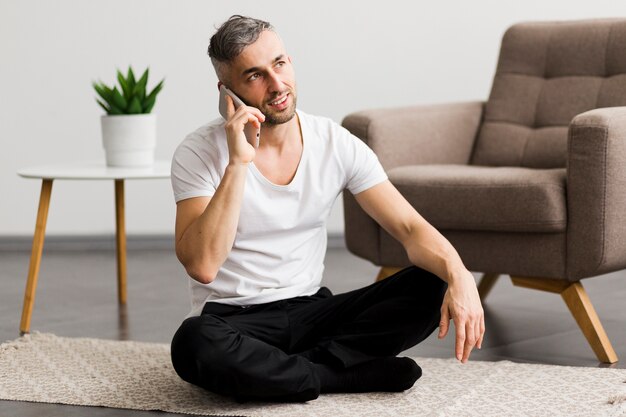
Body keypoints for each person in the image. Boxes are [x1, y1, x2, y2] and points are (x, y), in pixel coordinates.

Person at [169, 15, 485, 403]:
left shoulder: (334, 141)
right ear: (227, 92)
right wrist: (238, 162)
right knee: (193, 343)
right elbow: (202, 265)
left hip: (314, 313)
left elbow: (408, 227)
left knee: (433, 282)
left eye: (280, 64)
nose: (277, 85)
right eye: (254, 76)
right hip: (236, 321)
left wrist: (460, 274)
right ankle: (339, 374)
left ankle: (288, 372)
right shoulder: (198, 152)